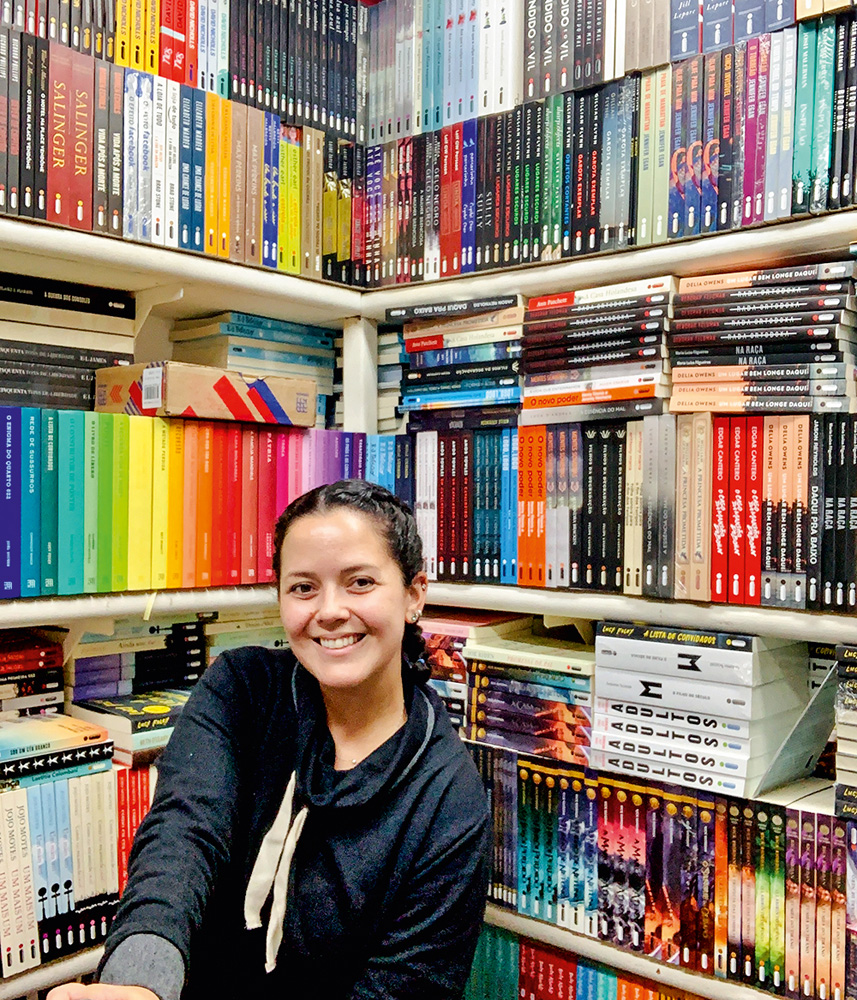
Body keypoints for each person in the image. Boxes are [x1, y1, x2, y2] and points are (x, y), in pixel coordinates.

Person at [47, 480, 491, 1000]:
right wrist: (142, 982)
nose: (329, 610)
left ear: (415, 594)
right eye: (303, 587)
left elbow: (405, 987)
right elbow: (181, 836)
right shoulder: (242, 689)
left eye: (360, 582)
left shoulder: (449, 800)